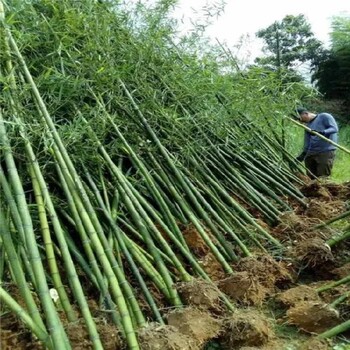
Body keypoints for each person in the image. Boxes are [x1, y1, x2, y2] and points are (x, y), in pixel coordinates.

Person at [296, 107, 338, 179]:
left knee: (323, 177)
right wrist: (302, 155)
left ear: (305, 113)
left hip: (325, 151)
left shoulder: (324, 116)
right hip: (311, 153)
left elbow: (334, 128)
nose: (300, 121)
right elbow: (307, 143)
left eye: (300, 118)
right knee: (311, 178)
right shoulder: (308, 126)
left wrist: (322, 132)